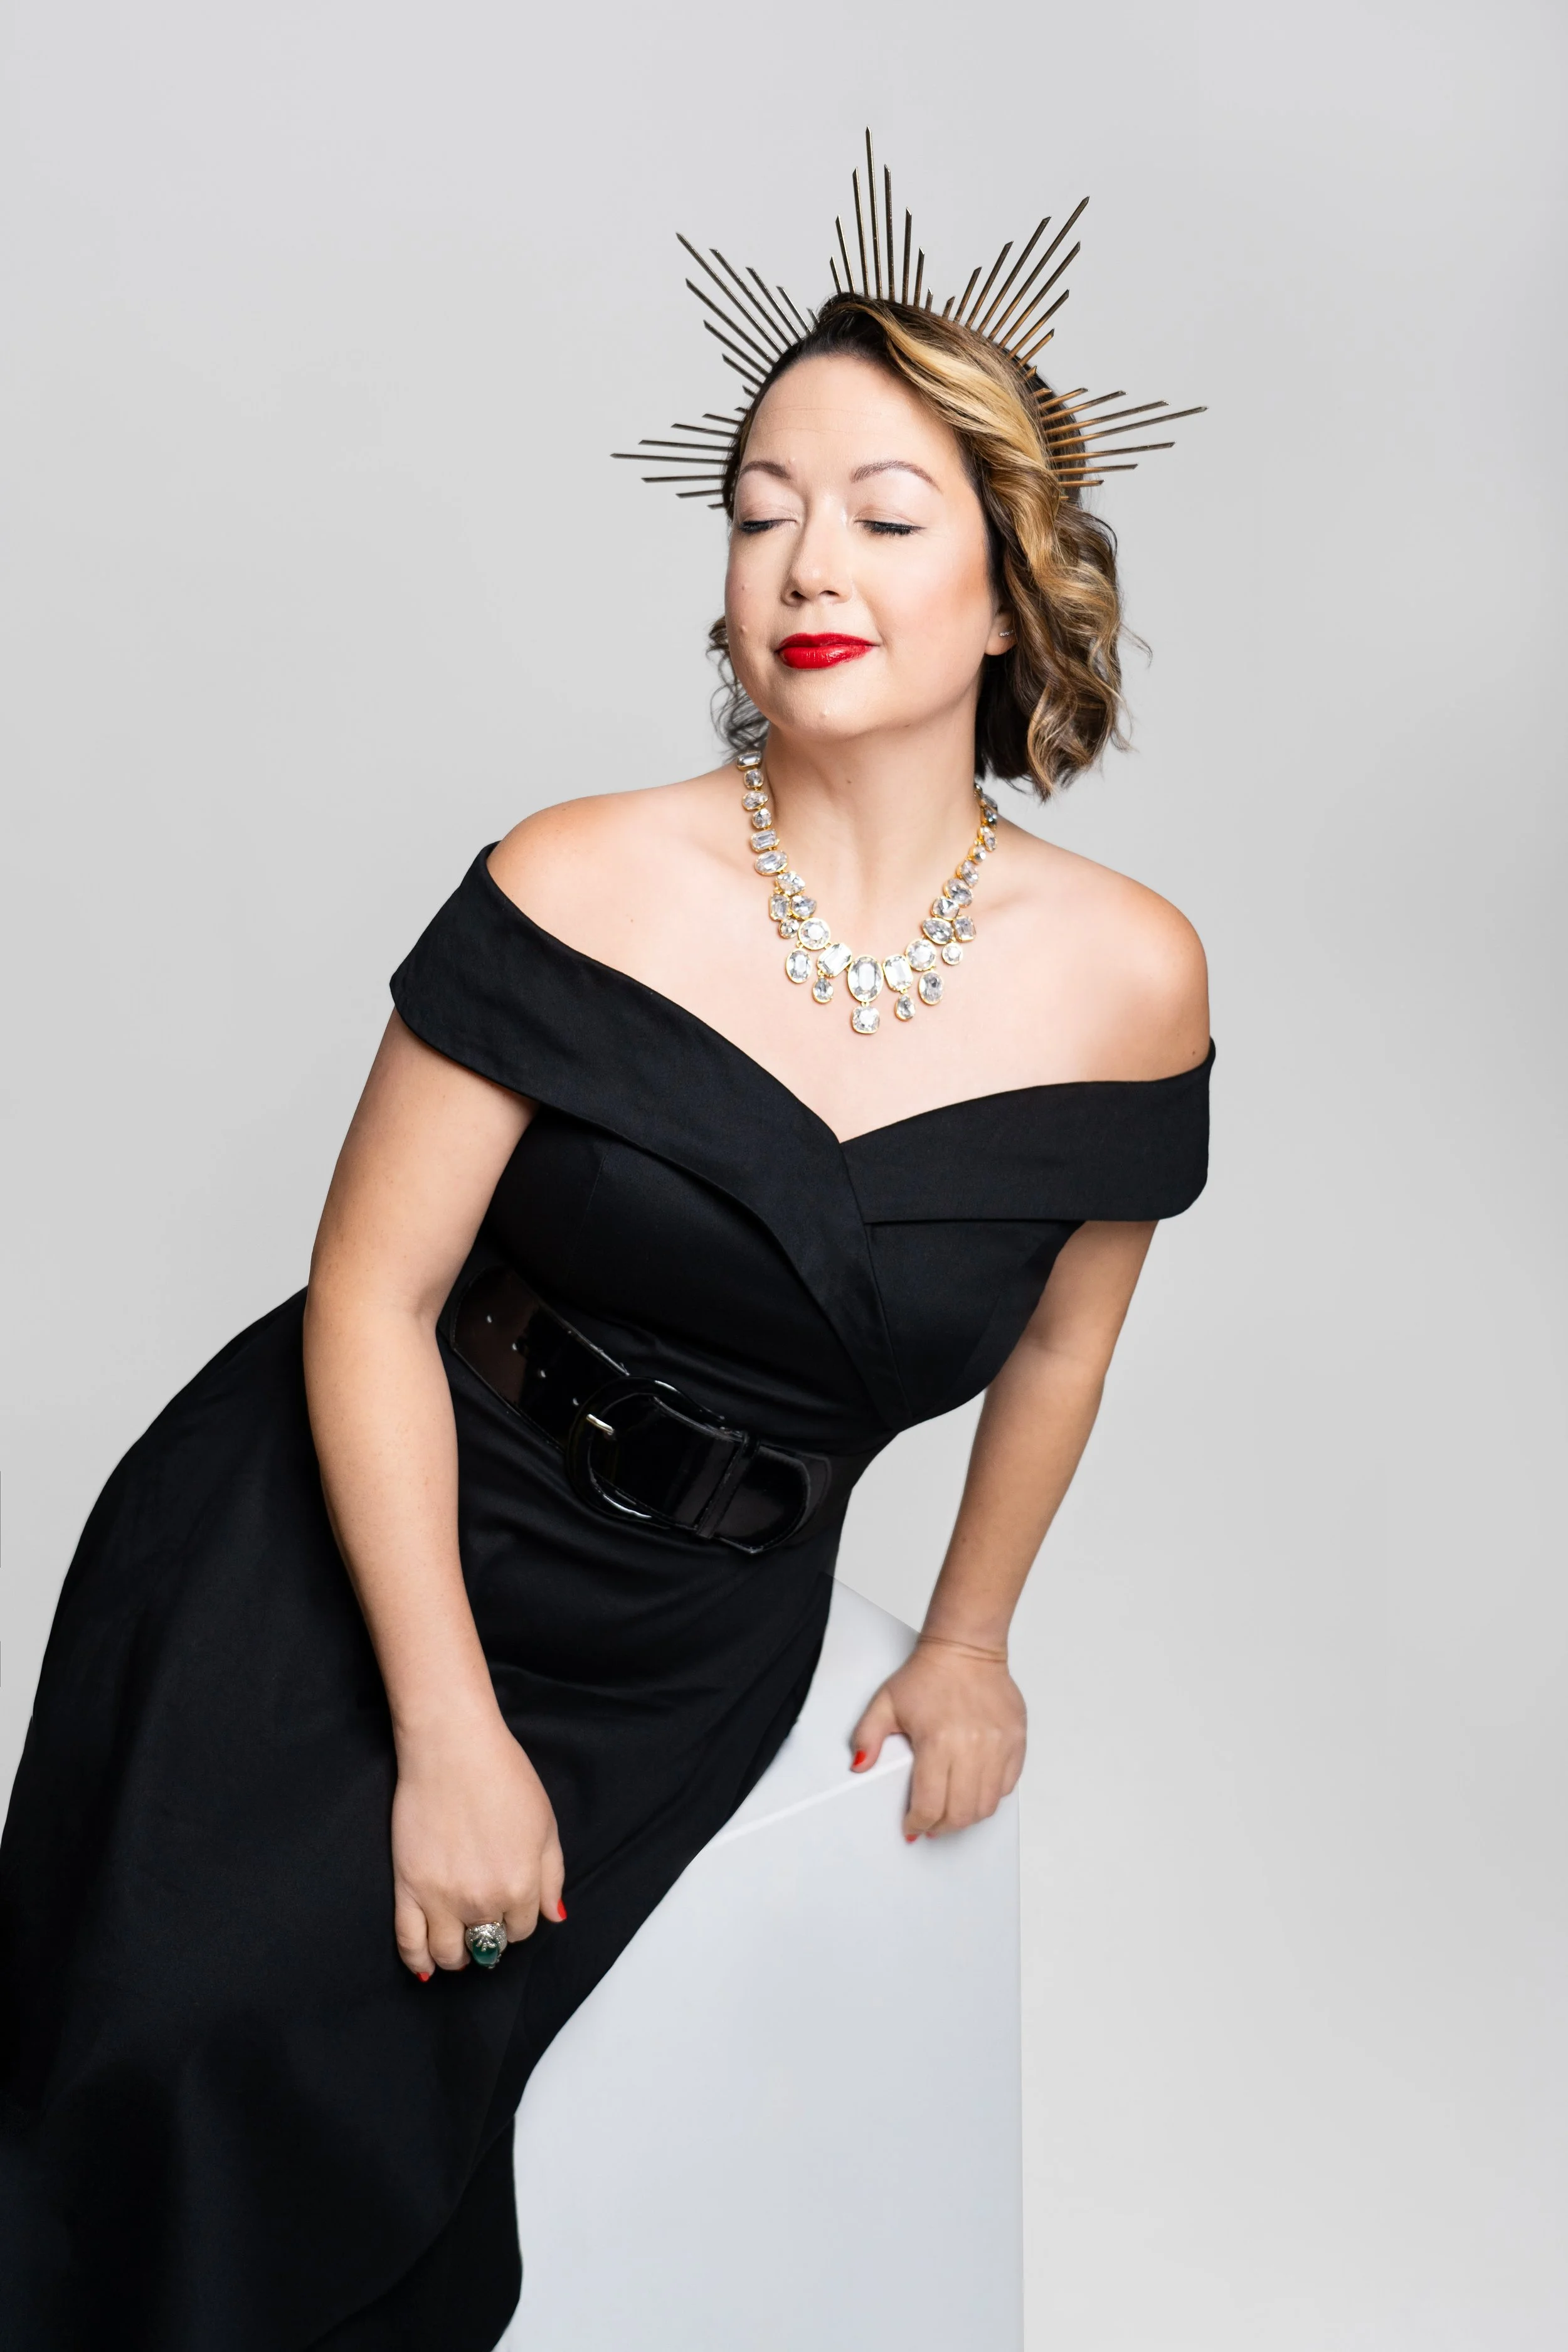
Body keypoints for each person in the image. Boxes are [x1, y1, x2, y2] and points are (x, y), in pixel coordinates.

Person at [0, 144, 1211, 2351]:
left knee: (382, 2185)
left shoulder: (1131, 973)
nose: (802, 559)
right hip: (336, 1530)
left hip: (680, 1630)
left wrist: (965, 1637)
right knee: (162, 2071)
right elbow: (365, 1297)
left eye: (880, 509)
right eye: (757, 508)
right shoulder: (574, 877)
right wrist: (449, 1734)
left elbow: (1058, 1346)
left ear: (1012, 589)